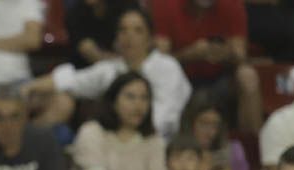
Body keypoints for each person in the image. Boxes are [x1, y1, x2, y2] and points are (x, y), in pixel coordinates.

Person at [26, 7, 192, 141]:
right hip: (114, 143)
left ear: (150, 38)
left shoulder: (167, 68)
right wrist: (28, 87)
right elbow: (70, 80)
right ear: (116, 38)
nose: (129, 36)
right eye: (123, 30)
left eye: (138, 30)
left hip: (156, 143)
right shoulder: (110, 68)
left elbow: (163, 119)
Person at [150, 0, 261, 134]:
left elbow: (240, 56)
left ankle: (251, 148)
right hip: (178, 79)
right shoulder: (165, 4)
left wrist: (225, 53)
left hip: (219, 78)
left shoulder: (232, 4)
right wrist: (189, 54)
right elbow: (159, 62)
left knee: (247, 76)